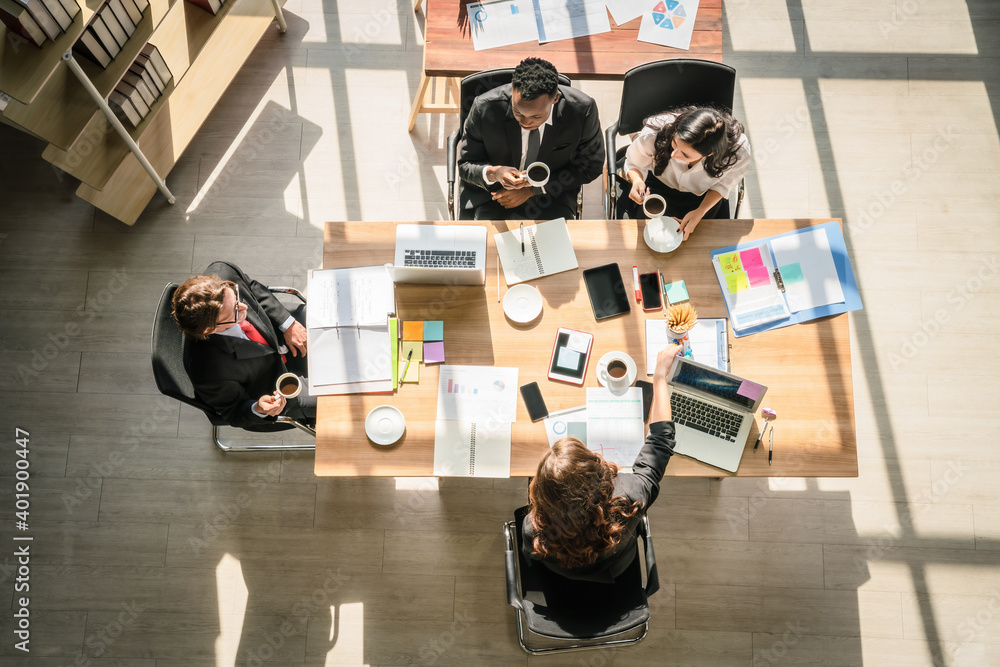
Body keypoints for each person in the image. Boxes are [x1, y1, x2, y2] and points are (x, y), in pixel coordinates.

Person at [521, 345, 682, 583]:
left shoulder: (533, 529)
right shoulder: (630, 497)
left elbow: (531, 553)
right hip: (614, 571)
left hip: (561, 576)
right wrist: (659, 377)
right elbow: (661, 440)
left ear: (544, 494)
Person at [171, 261, 315, 429]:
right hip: (279, 388)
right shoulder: (209, 371)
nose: (244, 307)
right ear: (209, 329)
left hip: (279, 332)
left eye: (236, 297)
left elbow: (253, 288)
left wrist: (287, 322)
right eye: (235, 312)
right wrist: (258, 408)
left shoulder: (222, 272)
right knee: (340, 397)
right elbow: (234, 413)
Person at [458, 57, 605, 221]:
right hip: (492, 195)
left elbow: (591, 165)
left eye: (536, 116)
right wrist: (494, 173)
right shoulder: (484, 107)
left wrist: (533, 190)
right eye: (518, 112)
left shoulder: (582, 111)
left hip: (552, 196)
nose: (525, 123)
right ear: (512, 90)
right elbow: (465, 164)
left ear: (555, 99)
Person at [619, 106, 751, 240]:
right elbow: (633, 162)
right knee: (650, 235)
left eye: (685, 154)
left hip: (703, 197)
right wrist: (637, 180)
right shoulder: (654, 133)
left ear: (710, 154)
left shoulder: (738, 151)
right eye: (674, 143)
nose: (673, 154)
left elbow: (722, 185)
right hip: (657, 186)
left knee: (700, 240)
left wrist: (700, 211)